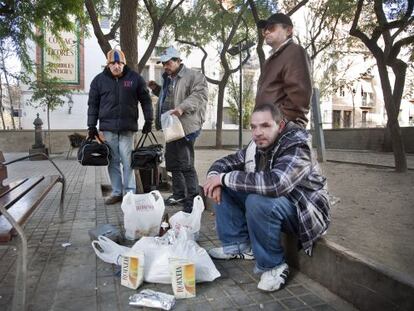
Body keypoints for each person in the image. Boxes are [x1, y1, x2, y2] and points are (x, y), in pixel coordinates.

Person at [203, 103, 330, 292]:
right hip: (279, 203)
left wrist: (224, 178)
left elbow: (277, 183)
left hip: (304, 210)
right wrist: (215, 177)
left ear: (280, 126)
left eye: (265, 125)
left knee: (256, 199)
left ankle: (274, 266)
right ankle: (239, 246)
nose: (257, 132)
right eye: (253, 127)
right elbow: (227, 162)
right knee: (224, 184)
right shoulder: (256, 145)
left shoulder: (297, 144)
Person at [87, 48, 153, 204]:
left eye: (119, 63)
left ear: (124, 64)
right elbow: (93, 105)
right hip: (108, 129)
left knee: (128, 160)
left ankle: (129, 193)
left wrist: (149, 120)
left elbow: (146, 100)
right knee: (113, 161)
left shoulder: (135, 79)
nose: (116, 66)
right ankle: (117, 192)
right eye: (113, 63)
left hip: (127, 129)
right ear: (108, 65)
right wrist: (91, 126)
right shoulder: (98, 81)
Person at [148, 46, 208, 212]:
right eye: (164, 63)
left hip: (186, 126)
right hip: (171, 127)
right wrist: (156, 89)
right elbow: (170, 96)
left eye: (168, 63)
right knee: (173, 162)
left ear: (178, 61)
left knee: (186, 163)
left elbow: (199, 96)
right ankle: (179, 194)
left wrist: (181, 108)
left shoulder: (194, 76)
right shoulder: (169, 78)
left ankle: (194, 198)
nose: (165, 66)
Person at [256, 12, 312, 128]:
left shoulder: (295, 52)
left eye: (271, 27)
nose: (266, 32)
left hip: (282, 131)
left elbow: (299, 98)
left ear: (288, 30)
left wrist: (277, 123)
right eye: (265, 29)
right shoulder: (271, 60)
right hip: (269, 130)